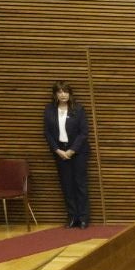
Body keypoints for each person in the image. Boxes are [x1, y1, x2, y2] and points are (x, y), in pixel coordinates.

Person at [45, 80, 91, 228]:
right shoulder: (49, 110)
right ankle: (72, 216)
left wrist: (72, 150)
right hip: (60, 153)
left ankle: (83, 218)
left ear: (70, 94)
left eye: (65, 91)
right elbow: (47, 132)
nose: (63, 95)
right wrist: (58, 150)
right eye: (59, 92)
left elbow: (83, 133)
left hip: (78, 152)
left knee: (80, 185)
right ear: (55, 95)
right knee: (67, 185)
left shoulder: (78, 109)